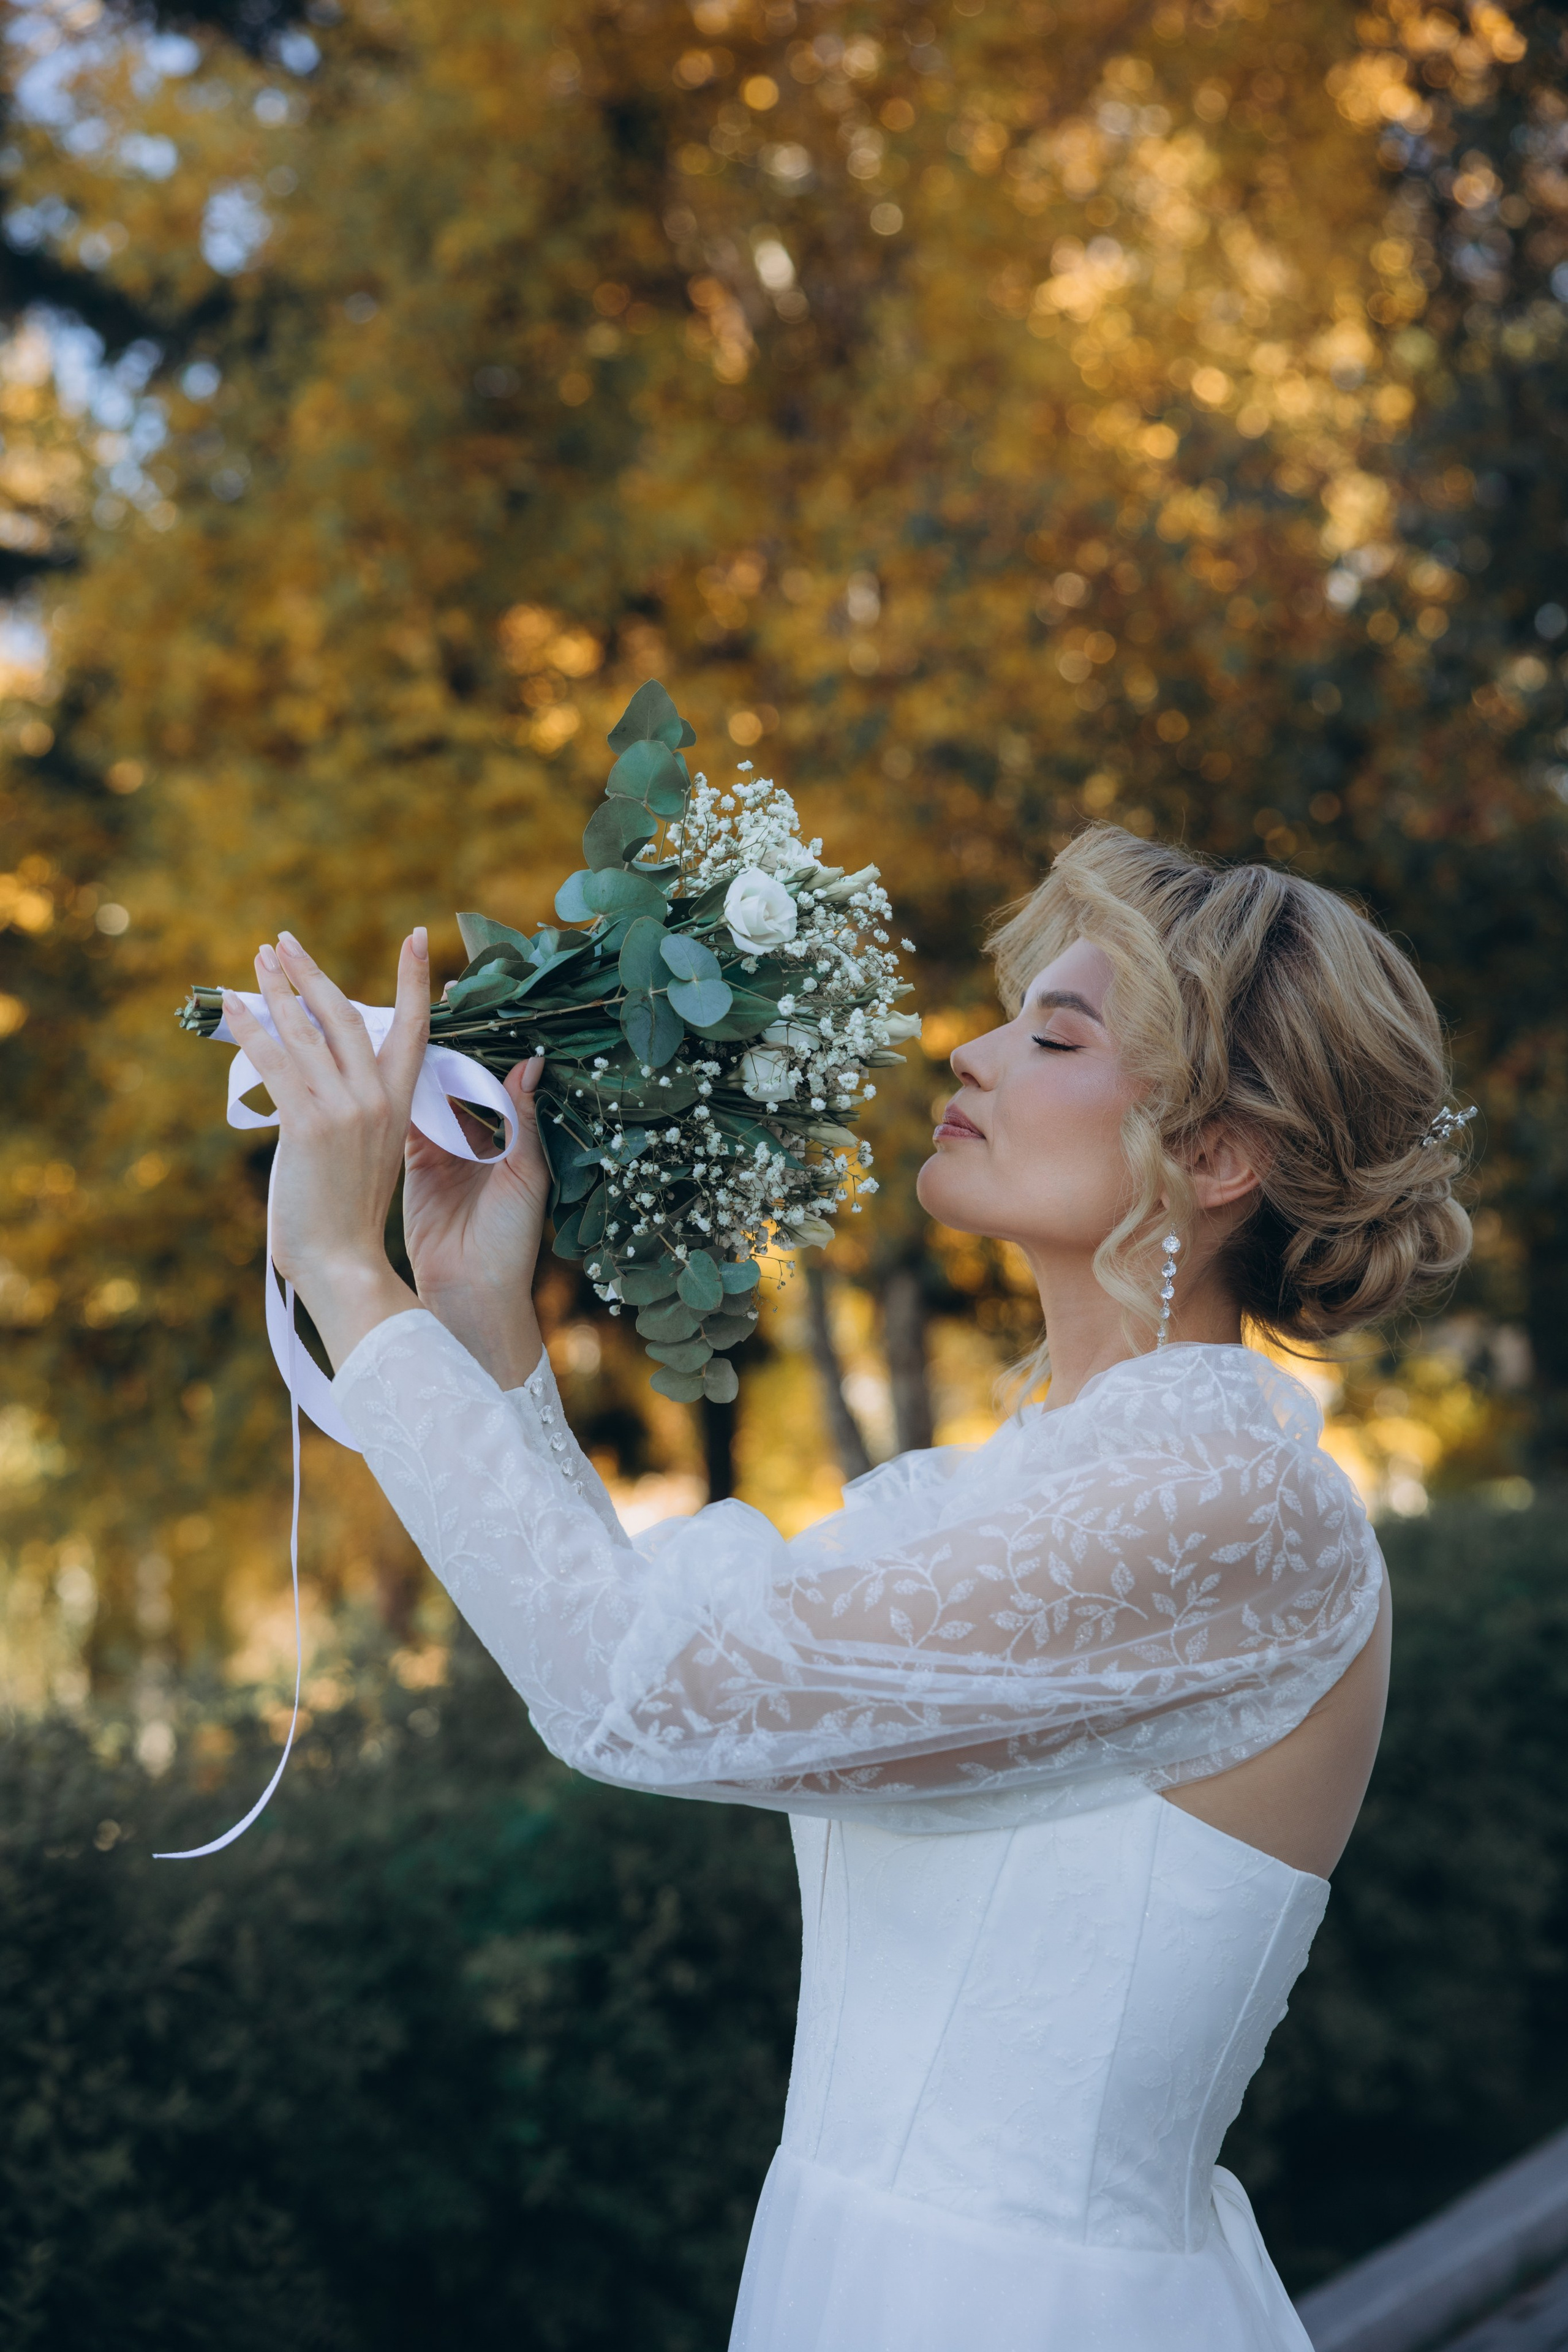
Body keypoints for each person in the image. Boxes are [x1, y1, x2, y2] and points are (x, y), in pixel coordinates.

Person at [225, 826, 1472, 2352]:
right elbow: (668, 1653)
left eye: (1053, 1035)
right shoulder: (1041, 1481)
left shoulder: (1237, 1504)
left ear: (1216, 1157)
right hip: (844, 2279)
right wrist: (481, 1317)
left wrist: (347, 1279)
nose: (973, 1049)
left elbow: (646, 1702)